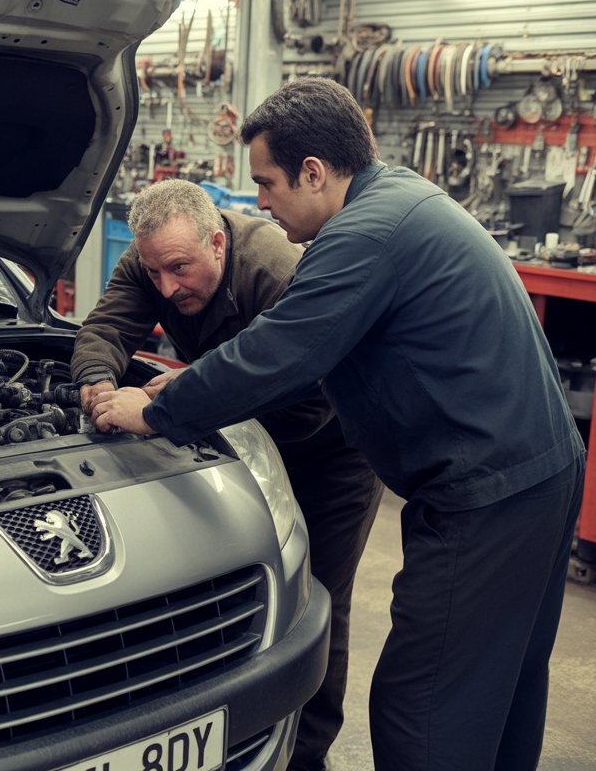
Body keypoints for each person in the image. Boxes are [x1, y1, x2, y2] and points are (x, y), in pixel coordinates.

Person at [91, 77, 586, 771]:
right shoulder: (401, 198)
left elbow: (277, 352)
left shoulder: (361, 238)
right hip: (542, 469)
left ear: (314, 173)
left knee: (424, 708)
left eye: (266, 181)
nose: (259, 200)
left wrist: (157, 409)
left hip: (487, 491)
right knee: (503, 684)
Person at [72, 179, 382, 771]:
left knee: (317, 593)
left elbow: (310, 401)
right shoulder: (153, 260)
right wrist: (98, 382)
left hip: (332, 447)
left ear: (218, 242)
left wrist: (185, 403)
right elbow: (106, 329)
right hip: (239, 429)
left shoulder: (276, 273)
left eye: (180, 268)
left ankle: (306, 755)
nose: (167, 287)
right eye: (155, 271)